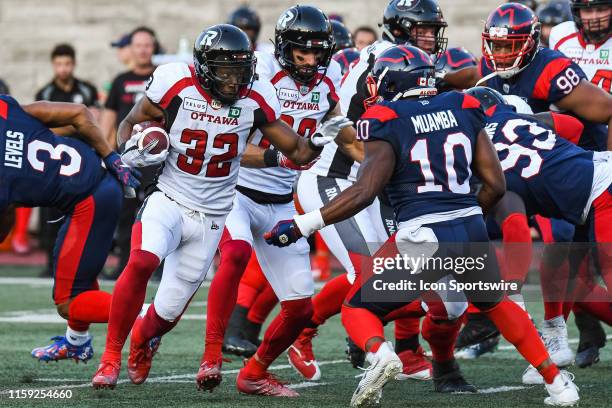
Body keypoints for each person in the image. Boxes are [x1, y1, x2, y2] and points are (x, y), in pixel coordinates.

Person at [265, 44, 580, 408]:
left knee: (358, 308)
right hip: (470, 227)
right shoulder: (463, 105)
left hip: (423, 235)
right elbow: (496, 185)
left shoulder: (384, 116)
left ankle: (381, 356)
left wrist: (304, 224)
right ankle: (558, 384)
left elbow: (366, 190)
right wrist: (464, 216)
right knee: (496, 303)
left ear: (392, 80)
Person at [91, 23, 346, 390]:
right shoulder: (175, 82)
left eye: (240, 70)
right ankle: (110, 358)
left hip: (213, 214)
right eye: (226, 70)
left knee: (167, 313)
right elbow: (131, 123)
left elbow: (298, 151)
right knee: (142, 260)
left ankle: (142, 343)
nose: (233, 80)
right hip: (170, 197)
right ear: (205, 67)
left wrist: (321, 138)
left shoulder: (256, 96)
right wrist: (129, 154)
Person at [288, 0, 451, 383]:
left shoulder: (412, 62)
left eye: (433, 29)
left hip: (374, 179)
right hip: (337, 176)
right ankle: (303, 331)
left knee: (407, 271)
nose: (431, 37)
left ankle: (408, 353)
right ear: (402, 29)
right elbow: (357, 133)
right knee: (370, 276)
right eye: (423, 29)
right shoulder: (387, 63)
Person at [197, 6, 348, 394]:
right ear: (283, 48)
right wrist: (276, 156)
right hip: (237, 191)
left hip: (282, 199)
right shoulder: (257, 73)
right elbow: (225, 142)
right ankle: (211, 354)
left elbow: (342, 131)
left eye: (318, 53)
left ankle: (255, 371)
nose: (312, 61)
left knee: (301, 309)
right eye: (302, 53)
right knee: (234, 255)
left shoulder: (330, 76)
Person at [0, 96, 139, 363]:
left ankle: (151, 316)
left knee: (68, 301)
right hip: (97, 181)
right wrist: (110, 157)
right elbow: (78, 114)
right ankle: (77, 342)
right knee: (78, 275)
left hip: (89, 199)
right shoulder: (6, 108)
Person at [547, 0, 612, 368]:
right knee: (577, 251)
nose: (593, 18)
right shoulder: (560, 36)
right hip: (570, 151)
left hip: (607, 146)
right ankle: (589, 331)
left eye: (599, 8)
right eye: (585, 10)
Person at [33, 43, 100, 268]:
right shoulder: (45, 93)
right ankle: (50, 263)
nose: (63, 68)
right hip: (51, 161)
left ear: (74, 64)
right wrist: (75, 125)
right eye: (59, 64)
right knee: (50, 213)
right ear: (53, 65)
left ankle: (81, 262)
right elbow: (42, 129)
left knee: (82, 211)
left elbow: (93, 122)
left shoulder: (87, 90)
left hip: (81, 159)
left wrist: (75, 125)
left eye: (67, 63)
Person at [100, 26, 159, 279]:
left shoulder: (163, 76)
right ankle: (124, 264)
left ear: (153, 47)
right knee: (125, 216)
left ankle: (161, 266)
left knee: (158, 215)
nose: (143, 50)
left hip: (159, 159)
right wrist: (103, 152)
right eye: (139, 45)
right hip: (128, 160)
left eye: (147, 45)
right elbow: (109, 120)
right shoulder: (120, 81)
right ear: (131, 49)